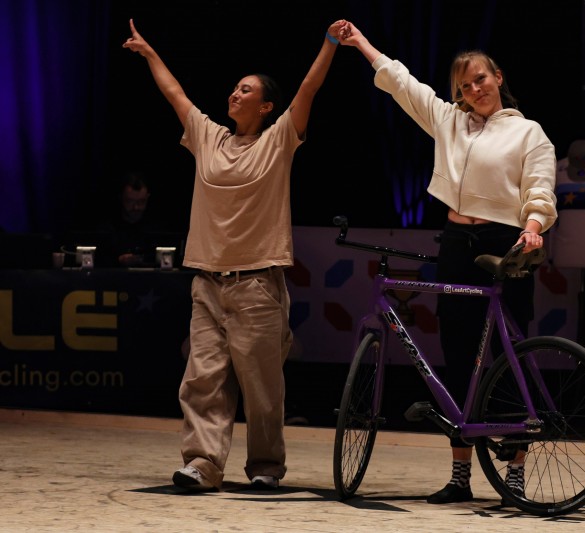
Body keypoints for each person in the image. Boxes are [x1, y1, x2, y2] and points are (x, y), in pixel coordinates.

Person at [337, 22, 557, 504]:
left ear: (498, 77)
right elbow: (403, 84)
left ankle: (515, 472)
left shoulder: (528, 131)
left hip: (507, 241)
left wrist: (534, 226)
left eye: (480, 79)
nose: (473, 90)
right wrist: (361, 44)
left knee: (507, 354)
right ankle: (460, 475)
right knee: (459, 352)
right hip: (457, 241)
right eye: (464, 85)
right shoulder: (448, 121)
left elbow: (540, 186)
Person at [123, 17, 345, 491]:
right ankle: (202, 463)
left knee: (262, 390)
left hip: (257, 284)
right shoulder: (208, 138)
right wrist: (149, 53)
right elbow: (176, 95)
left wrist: (329, 43)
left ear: (266, 106)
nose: (235, 94)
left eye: (246, 91)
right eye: (234, 88)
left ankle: (265, 467)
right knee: (202, 379)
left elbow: (308, 88)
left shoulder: (278, 141)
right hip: (207, 280)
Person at [97, 170, 160, 267]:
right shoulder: (107, 229)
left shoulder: (157, 229)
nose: (136, 207)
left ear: (148, 197)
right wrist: (118, 260)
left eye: (141, 201)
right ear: (121, 197)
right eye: (130, 201)